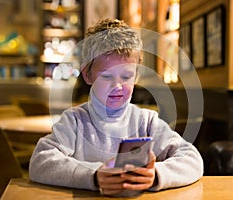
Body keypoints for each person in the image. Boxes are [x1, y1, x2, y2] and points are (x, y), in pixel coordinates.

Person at [29, 18, 203, 196]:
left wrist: (156, 175)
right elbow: (40, 161)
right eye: (106, 76)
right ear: (87, 75)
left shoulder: (146, 122)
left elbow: (192, 159)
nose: (117, 86)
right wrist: (93, 176)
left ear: (136, 76)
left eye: (126, 76)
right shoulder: (75, 121)